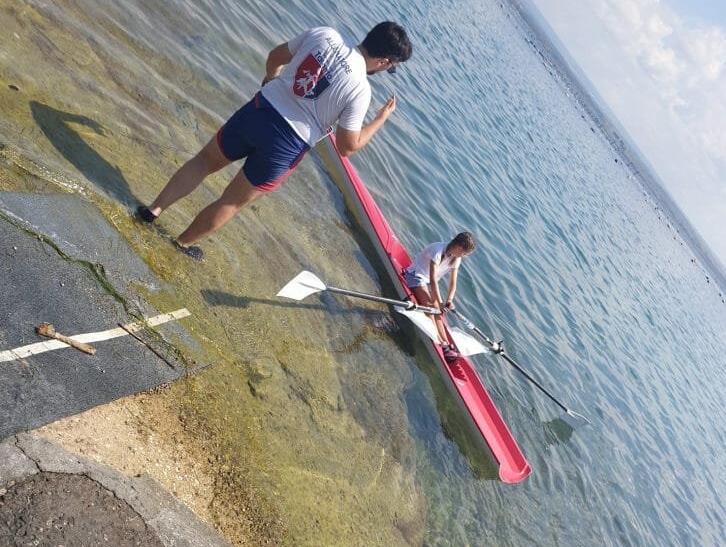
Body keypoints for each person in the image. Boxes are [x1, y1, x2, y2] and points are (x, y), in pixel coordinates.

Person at [135, 22, 413, 259]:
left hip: (260, 110)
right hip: (288, 144)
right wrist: (380, 119)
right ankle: (181, 244)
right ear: (384, 61)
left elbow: (275, 57)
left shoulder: (325, 34)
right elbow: (346, 146)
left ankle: (152, 211)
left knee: (203, 163)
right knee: (231, 201)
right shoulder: (360, 89)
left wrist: (271, 80)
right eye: (390, 67)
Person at [403, 232, 476, 363]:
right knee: (432, 309)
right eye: (465, 253)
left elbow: (453, 281)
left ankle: (446, 343)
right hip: (415, 276)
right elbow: (433, 279)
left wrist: (449, 300)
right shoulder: (437, 251)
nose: (464, 256)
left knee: (438, 311)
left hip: (428, 283)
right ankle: (440, 342)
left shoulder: (456, 258)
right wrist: (440, 302)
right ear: (459, 248)